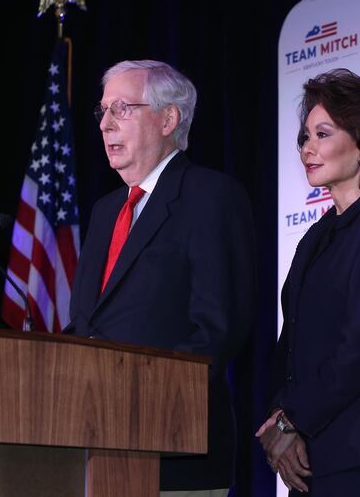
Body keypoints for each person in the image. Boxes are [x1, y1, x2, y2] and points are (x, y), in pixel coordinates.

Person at [64, 60, 255, 496]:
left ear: (168, 118)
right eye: (102, 112)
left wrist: (138, 399)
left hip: (172, 450)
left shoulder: (211, 197)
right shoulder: (105, 211)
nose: (106, 124)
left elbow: (217, 329)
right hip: (90, 449)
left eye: (122, 109)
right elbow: (86, 325)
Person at [257, 69, 360, 496]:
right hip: (310, 457)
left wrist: (293, 420)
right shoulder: (315, 236)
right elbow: (289, 344)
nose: (308, 148)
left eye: (322, 134)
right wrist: (279, 420)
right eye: (304, 137)